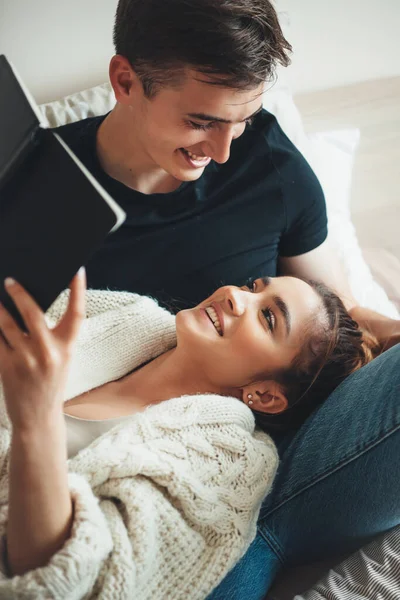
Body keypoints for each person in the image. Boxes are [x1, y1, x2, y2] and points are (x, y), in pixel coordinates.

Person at [51, 0, 399, 595]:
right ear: (125, 81)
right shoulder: (41, 188)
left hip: (282, 450)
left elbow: (336, 310)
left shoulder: (272, 168)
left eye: (243, 120)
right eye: (201, 121)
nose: (225, 150)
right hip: (136, 452)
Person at [0, 270, 378, 598]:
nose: (235, 295)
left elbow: (73, 579)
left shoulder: (227, 465)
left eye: (267, 318)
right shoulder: (129, 315)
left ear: (264, 395)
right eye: (253, 286)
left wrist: (37, 416)